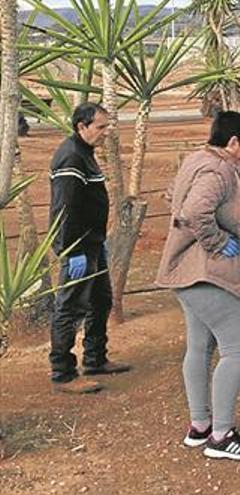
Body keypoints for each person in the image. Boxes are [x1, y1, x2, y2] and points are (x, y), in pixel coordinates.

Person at [156, 111, 240, 461]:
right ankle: (221, 436)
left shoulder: (197, 159)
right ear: (233, 142)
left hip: (189, 273)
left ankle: (200, 426)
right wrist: (217, 241)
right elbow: (193, 212)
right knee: (238, 348)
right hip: (209, 275)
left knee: (200, 347)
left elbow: (172, 195)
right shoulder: (218, 170)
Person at [48, 102, 131, 394]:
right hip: (79, 248)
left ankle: (95, 359)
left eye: (107, 126)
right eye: (100, 127)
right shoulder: (71, 158)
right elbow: (64, 210)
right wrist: (71, 251)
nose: (106, 132)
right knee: (70, 308)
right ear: (81, 126)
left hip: (94, 244)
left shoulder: (85, 153)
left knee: (100, 301)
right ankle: (63, 373)